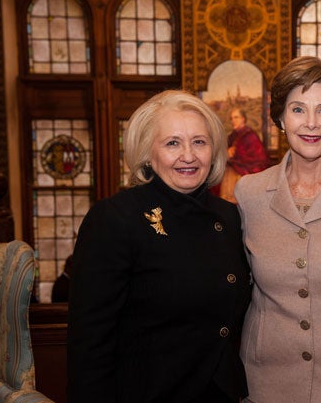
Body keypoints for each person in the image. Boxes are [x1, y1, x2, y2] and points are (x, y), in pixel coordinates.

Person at [67, 90, 252, 403]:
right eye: (172, 143)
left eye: (199, 142)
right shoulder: (115, 219)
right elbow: (89, 345)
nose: (189, 155)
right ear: (147, 154)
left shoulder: (229, 217)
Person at [234, 56, 321, 402]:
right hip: (265, 381)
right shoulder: (250, 193)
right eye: (297, 109)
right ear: (279, 117)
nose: (311, 123)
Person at [218, 107, 270, 203]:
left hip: (245, 177)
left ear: (243, 119)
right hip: (230, 175)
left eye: (236, 117)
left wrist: (234, 155)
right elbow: (224, 152)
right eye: (232, 118)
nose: (233, 120)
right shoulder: (232, 136)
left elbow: (259, 160)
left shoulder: (250, 136)